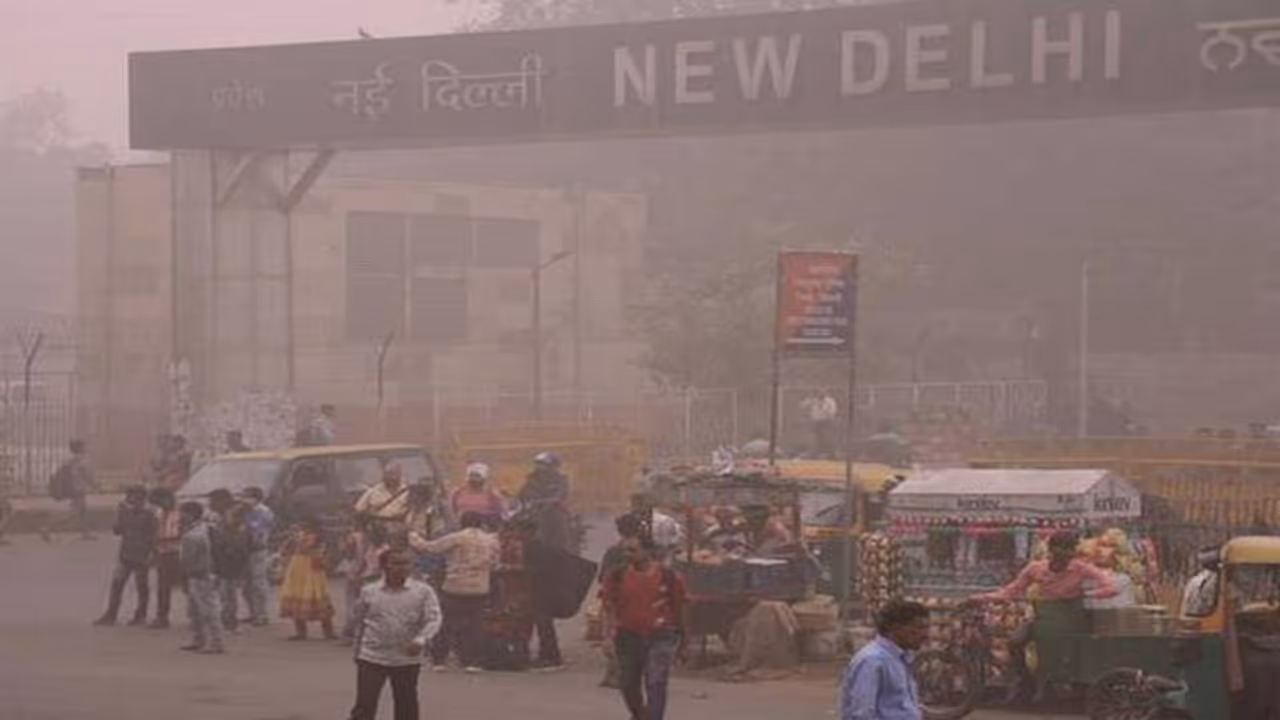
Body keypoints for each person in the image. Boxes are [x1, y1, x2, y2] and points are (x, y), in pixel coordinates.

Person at [972, 532, 1118, 703]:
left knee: (1068, 654)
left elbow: (1111, 587)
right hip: (1044, 617)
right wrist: (978, 598)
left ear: (1073, 552)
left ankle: (1067, 685)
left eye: (1069, 550)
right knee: (1014, 641)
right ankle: (1025, 680)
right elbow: (1010, 591)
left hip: (1072, 619)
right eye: (1060, 550)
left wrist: (1087, 594)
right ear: (1051, 550)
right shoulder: (1035, 568)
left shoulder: (1081, 568)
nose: (1064, 555)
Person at [348, 549, 442, 720]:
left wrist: (421, 639)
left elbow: (434, 619)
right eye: (396, 563)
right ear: (385, 566)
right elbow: (360, 621)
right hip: (372, 656)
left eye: (406, 563)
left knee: (406, 704)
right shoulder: (370, 591)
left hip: (406, 658)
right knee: (365, 705)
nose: (401, 567)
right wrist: (357, 649)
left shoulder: (423, 591)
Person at [602, 535, 688, 720]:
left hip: (660, 635)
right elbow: (608, 607)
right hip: (628, 635)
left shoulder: (669, 576)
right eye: (625, 550)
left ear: (648, 552)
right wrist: (607, 637)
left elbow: (680, 608)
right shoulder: (616, 576)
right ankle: (639, 714)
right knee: (628, 683)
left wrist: (683, 639)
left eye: (633, 550)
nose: (627, 554)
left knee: (656, 682)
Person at [412, 511, 500, 672]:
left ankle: (439, 660)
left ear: (462, 522)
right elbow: (495, 564)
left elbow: (431, 548)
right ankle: (472, 661)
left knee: (445, 623)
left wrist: (414, 537)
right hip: (480, 588)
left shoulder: (457, 537)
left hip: (455, 587)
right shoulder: (491, 540)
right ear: (481, 523)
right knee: (476, 626)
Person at [839, 599, 930, 720]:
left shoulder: (899, 658)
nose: (925, 635)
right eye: (919, 628)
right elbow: (862, 714)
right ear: (895, 628)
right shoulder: (872, 661)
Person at [598, 513, 652, 689]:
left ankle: (615, 673)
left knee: (614, 634)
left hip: (615, 598)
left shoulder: (613, 551)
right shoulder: (645, 551)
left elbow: (603, 576)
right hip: (636, 598)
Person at [94, 485, 158, 627]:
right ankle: (111, 614)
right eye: (129, 496)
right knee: (117, 584)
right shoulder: (126, 512)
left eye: (133, 496)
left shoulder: (149, 514)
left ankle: (140, 615)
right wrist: (120, 514)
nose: (129, 499)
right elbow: (117, 530)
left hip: (142, 554)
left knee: (141, 586)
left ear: (141, 498)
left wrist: (152, 554)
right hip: (126, 554)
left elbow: (154, 536)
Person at [179, 501, 226, 654]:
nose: (180, 516)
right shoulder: (206, 529)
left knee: (208, 610)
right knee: (194, 610)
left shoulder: (195, 534)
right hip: (202, 574)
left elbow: (190, 559)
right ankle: (199, 639)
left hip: (202, 574)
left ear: (190, 514)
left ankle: (216, 642)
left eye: (183, 513)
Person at [279, 520, 337, 640]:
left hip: (311, 568)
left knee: (317, 596)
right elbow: (285, 549)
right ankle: (302, 632)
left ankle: (328, 632)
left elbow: (309, 548)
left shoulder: (315, 538)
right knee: (298, 596)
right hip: (299, 568)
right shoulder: (299, 536)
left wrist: (299, 540)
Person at [208, 490, 251, 632]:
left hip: (230, 557)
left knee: (228, 591)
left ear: (222, 501)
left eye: (213, 501)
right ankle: (227, 619)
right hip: (223, 556)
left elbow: (237, 537)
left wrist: (230, 551)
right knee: (225, 591)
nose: (210, 504)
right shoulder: (222, 515)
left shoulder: (233, 515)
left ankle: (229, 621)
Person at [342, 518, 391, 644]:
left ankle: (355, 633)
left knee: (362, 607)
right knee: (365, 608)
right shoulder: (374, 547)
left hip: (373, 579)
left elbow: (383, 567)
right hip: (368, 578)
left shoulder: (379, 548)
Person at [517, 452, 571, 552]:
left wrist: (546, 502)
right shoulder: (531, 479)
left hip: (554, 511)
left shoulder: (560, 480)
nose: (541, 468)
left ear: (553, 466)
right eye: (539, 464)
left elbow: (560, 495)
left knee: (560, 532)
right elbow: (522, 494)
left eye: (544, 465)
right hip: (534, 511)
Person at [43, 439, 95, 541]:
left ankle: (86, 534)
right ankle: (47, 528)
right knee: (72, 515)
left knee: (83, 512)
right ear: (80, 448)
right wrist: (95, 485)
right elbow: (87, 476)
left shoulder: (70, 460)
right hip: (78, 490)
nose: (86, 448)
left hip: (75, 489)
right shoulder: (81, 460)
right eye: (84, 446)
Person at [148, 487, 183, 629]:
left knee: (190, 587)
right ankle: (162, 616)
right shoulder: (159, 513)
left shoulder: (181, 514)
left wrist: (164, 539)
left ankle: (199, 615)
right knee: (163, 588)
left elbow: (182, 534)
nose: (160, 506)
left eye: (160, 502)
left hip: (179, 553)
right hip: (163, 553)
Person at [241, 487, 276, 627]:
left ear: (257, 498)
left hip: (258, 550)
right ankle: (253, 613)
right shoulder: (245, 511)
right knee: (246, 585)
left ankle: (262, 615)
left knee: (258, 583)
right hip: (245, 550)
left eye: (248, 496)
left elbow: (258, 530)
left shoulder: (264, 512)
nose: (245, 499)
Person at [450, 463, 507, 527]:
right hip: (461, 526)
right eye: (471, 475)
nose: (473, 478)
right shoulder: (458, 492)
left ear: (484, 478)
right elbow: (451, 511)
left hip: (485, 527)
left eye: (477, 476)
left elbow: (501, 514)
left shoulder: (492, 494)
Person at [355, 463, 410, 528]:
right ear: (384, 475)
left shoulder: (408, 492)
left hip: (400, 527)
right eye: (389, 474)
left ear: (399, 475)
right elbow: (358, 509)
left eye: (395, 473)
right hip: (378, 528)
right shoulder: (373, 492)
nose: (392, 477)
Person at [630, 493, 684, 559]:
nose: (635, 508)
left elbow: (678, 536)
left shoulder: (664, 521)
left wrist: (669, 545)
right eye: (634, 505)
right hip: (643, 556)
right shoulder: (635, 520)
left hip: (662, 554)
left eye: (639, 505)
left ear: (647, 506)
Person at [800, 391, 839, 458]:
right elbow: (802, 405)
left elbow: (832, 412)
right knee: (816, 437)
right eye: (819, 392)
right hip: (816, 421)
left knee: (826, 437)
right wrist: (810, 400)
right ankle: (816, 452)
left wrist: (824, 411)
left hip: (826, 421)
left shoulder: (830, 401)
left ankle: (830, 453)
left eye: (823, 392)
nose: (820, 394)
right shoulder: (814, 400)